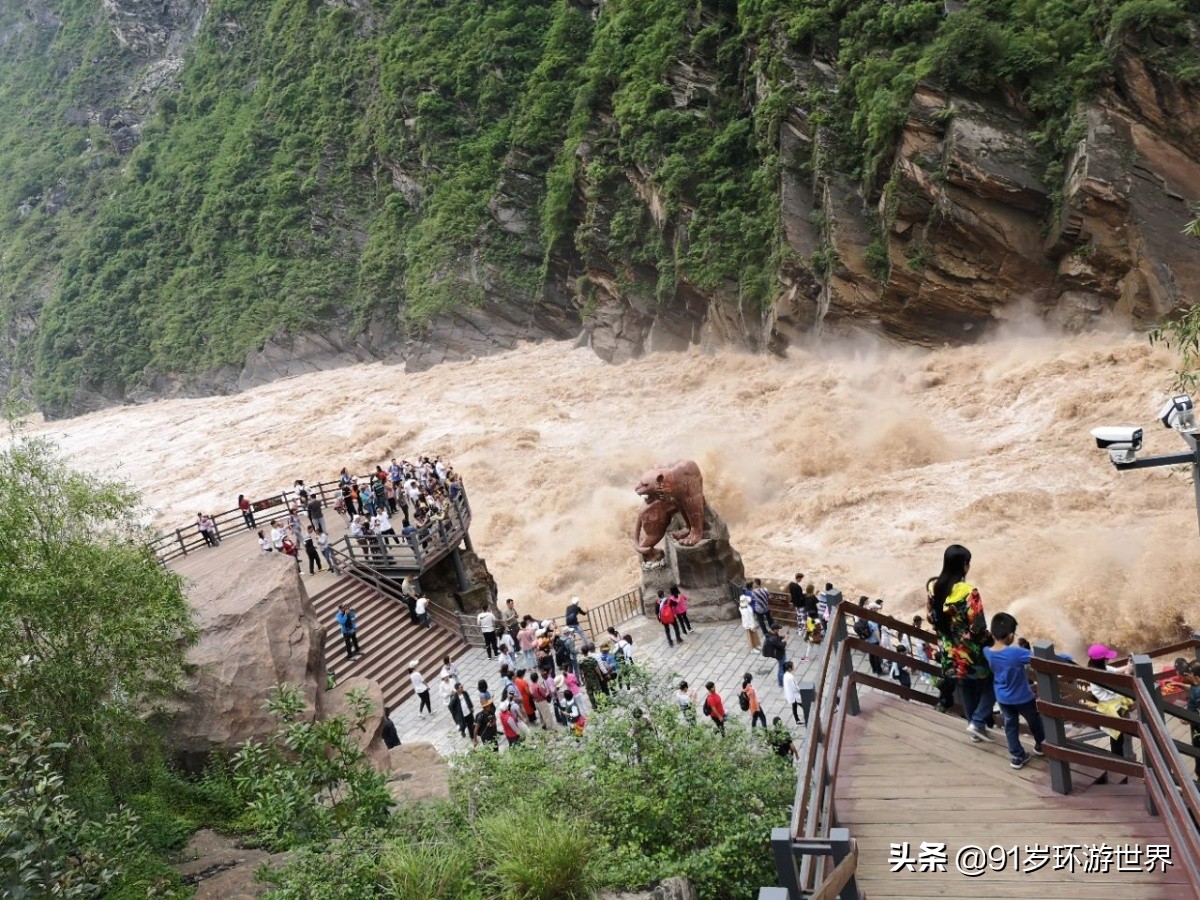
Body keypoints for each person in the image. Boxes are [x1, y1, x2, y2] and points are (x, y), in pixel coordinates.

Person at [928, 544, 995, 741]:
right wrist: (991, 642)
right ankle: (978, 722)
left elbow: (931, 617)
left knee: (966, 686)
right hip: (970, 653)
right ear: (964, 565)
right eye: (968, 563)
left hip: (949, 652)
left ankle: (975, 729)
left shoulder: (934, 587)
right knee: (993, 684)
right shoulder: (969, 592)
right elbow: (978, 627)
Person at [982, 612, 1045, 768]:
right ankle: (1041, 745)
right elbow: (1040, 657)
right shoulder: (1016, 653)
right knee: (1034, 720)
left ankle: (1017, 756)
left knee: (1010, 725)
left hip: (1003, 698)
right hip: (1023, 698)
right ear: (1010, 636)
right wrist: (1065, 658)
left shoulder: (987, 652)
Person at [1085, 643, 1134, 769]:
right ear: (1102, 660)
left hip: (1114, 703)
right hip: (1110, 707)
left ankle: (1119, 762)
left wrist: (1128, 666)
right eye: (1106, 658)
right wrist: (1128, 673)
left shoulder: (1100, 669)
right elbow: (1115, 689)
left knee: (1119, 737)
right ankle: (1118, 764)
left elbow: (1116, 671)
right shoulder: (1098, 676)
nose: (1108, 659)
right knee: (1117, 739)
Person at [855, 596, 884, 676]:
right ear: (873, 609)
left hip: (868, 639)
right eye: (876, 608)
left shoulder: (865, 619)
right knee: (877, 656)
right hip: (874, 640)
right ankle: (879, 671)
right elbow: (876, 632)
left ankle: (874, 669)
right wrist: (880, 641)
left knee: (871, 655)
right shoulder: (872, 620)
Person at [783, 660, 803, 725]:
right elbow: (794, 687)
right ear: (789, 668)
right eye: (792, 666)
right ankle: (808, 717)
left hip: (791, 695)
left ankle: (797, 720)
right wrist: (800, 691)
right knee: (804, 706)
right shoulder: (790, 677)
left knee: (794, 707)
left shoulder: (785, 675)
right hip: (794, 696)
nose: (794, 666)